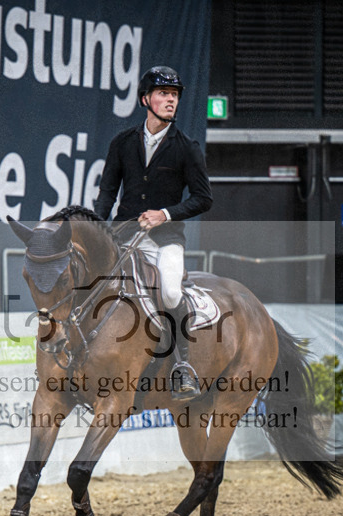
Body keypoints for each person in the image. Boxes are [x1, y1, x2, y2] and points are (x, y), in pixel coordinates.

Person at [93, 65, 213, 401]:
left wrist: (165, 214)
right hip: (123, 234)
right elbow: (107, 192)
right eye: (163, 94)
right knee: (93, 283)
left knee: (171, 293)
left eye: (174, 95)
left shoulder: (186, 147)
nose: (171, 100)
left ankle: (182, 365)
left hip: (165, 239)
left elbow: (204, 198)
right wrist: (97, 226)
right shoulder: (122, 142)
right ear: (145, 99)